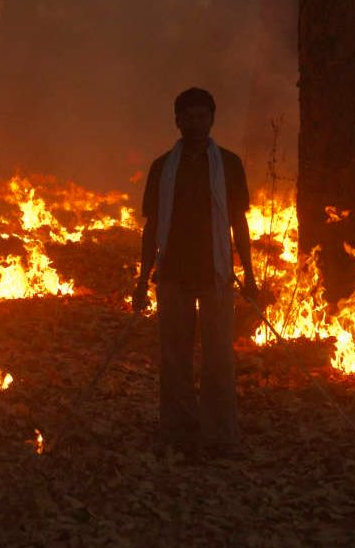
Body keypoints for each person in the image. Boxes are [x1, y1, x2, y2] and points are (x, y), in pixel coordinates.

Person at [132, 87, 258, 458]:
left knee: (219, 357)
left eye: (202, 116)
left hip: (217, 274)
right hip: (172, 273)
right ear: (178, 121)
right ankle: (178, 430)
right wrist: (142, 280)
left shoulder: (230, 165)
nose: (196, 123)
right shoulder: (161, 167)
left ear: (212, 119)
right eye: (188, 117)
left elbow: (238, 222)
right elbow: (152, 226)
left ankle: (219, 433)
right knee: (174, 357)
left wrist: (248, 274)